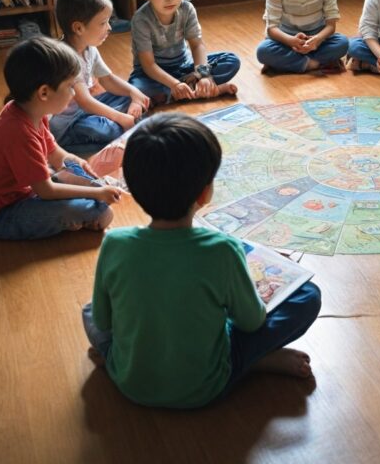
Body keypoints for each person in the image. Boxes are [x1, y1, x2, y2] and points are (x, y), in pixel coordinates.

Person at [81, 113, 322, 408]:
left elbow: (105, 321)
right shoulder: (223, 250)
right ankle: (255, 362)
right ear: (205, 193)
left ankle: (114, 358)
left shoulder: (115, 244)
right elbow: (252, 321)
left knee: (91, 310)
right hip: (206, 386)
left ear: (132, 185)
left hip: (129, 381)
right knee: (308, 296)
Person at [0, 36, 123, 240]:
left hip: (28, 191)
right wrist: (96, 194)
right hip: (0, 215)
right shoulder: (19, 132)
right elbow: (46, 190)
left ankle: (86, 202)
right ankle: (81, 215)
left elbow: (55, 154)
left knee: (82, 179)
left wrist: (75, 162)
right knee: (102, 213)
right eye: (70, 87)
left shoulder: (32, 112)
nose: (74, 94)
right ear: (44, 93)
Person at [50, 0, 151, 151]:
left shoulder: (90, 49)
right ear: (79, 28)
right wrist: (122, 118)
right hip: (70, 124)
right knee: (109, 130)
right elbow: (86, 101)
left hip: (86, 110)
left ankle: (122, 120)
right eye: (103, 23)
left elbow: (108, 79)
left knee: (132, 94)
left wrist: (134, 93)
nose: (109, 28)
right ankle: (119, 124)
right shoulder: (66, 59)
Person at [128, 0, 239, 103]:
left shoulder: (187, 9)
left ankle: (186, 89)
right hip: (152, 74)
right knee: (138, 88)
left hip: (183, 67)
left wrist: (203, 75)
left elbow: (197, 45)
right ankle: (204, 90)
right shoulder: (141, 19)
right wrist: (174, 83)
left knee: (231, 60)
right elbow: (148, 65)